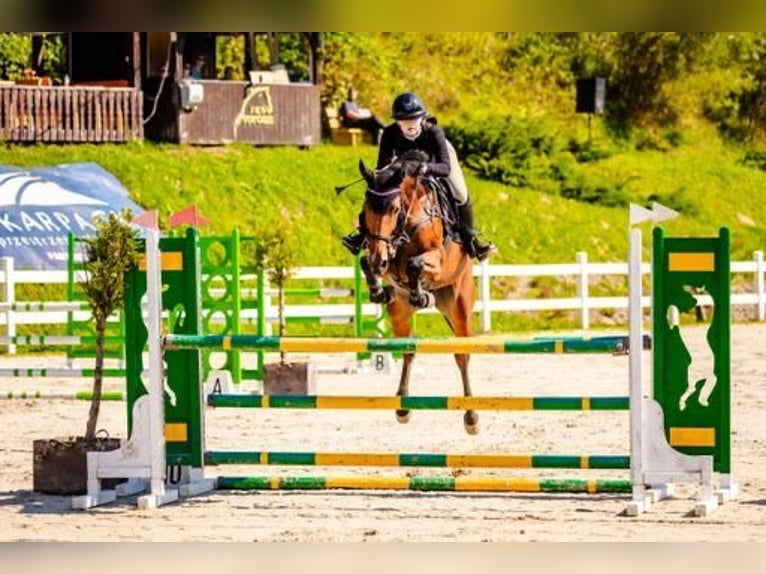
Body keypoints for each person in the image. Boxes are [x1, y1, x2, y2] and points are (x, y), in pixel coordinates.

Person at [342, 92, 494, 261]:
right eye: (404, 120)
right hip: (405, 166)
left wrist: (425, 168)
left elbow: (444, 168)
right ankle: (362, 235)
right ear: (397, 121)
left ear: (422, 117)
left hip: (436, 161)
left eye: (414, 119)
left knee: (460, 192)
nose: (410, 124)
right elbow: (383, 167)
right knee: (377, 191)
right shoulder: (389, 133)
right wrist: (383, 180)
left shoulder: (434, 132)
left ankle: (471, 239)